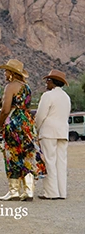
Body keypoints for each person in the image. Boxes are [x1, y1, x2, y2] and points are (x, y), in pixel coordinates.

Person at [0, 59, 46, 202]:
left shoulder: (10, 86)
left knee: (12, 156)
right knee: (27, 155)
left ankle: (14, 191)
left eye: (6, 71)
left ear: (11, 73)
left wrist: (0, 125)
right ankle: (29, 191)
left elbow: (5, 110)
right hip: (27, 123)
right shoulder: (27, 87)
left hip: (14, 122)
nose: (5, 73)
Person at [35, 69, 71, 200]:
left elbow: (40, 115)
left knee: (49, 161)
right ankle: (62, 192)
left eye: (48, 80)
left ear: (53, 82)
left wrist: (36, 129)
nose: (46, 83)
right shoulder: (66, 97)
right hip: (63, 132)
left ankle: (51, 192)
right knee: (61, 162)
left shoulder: (47, 96)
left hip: (49, 132)